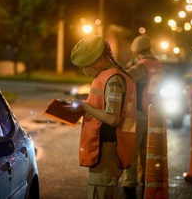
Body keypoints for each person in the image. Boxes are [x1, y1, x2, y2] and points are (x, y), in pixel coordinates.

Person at [69, 35, 137, 199]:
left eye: (87, 64)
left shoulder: (113, 80)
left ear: (99, 59)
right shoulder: (107, 76)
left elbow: (113, 119)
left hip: (108, 151)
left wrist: (85, 106)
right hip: (105, 149)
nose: (84, 69)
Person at [122, 35, 164, 198]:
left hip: (138, 114)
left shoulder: (141, 67)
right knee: (148, 153)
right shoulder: (158, 65)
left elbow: (123, 78)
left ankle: (130, 186)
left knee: (132, 152)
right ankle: (147, 184)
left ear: (137, 52)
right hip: (154, 114)